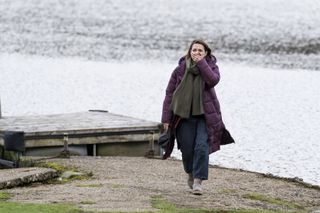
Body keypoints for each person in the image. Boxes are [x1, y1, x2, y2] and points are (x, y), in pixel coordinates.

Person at [161, 39, 234, 195]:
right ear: (189, 52)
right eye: (194, 50)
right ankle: (190, 173)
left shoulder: (211, 67)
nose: (197, 53)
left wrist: (202, 64)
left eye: (200, 51)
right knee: (187, 150)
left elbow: (213, 80)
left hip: (205, 117)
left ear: (206, 53)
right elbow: (169, 94)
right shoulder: (179, 70)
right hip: (183, 117)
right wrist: (166, 119)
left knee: (201, 148)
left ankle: (198, 181)